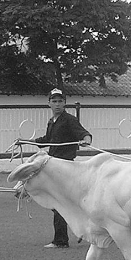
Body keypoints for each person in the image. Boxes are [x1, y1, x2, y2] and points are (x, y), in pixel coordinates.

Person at [32, 88, 92, 248]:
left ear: (64, 103)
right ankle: (79, 232)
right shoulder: (52, 121)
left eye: (60, 101)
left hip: (66, 167)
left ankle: (61, 240)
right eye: (54, 101)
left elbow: (84, 133)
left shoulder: (69, 120)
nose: (57, 104)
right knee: (60, 203)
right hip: (54, 166)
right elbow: (48, 140)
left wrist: (86, 139)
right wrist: (28, 141)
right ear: (49, 103)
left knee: (59, 202)